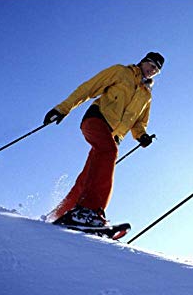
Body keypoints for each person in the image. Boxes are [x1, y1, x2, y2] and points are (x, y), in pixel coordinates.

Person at [43, 51, 165, 227]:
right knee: (108, 151)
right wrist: (63, 108)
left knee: (89, 176)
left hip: (113, 136)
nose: (153, 71)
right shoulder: (121, 72)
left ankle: (58, 215)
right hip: (97, 119)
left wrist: (141, 136)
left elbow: (139, 122)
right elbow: (89, 87)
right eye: (152, 66)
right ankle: (89, 210)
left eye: (157, 70)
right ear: (144, 62)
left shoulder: (146, 96)